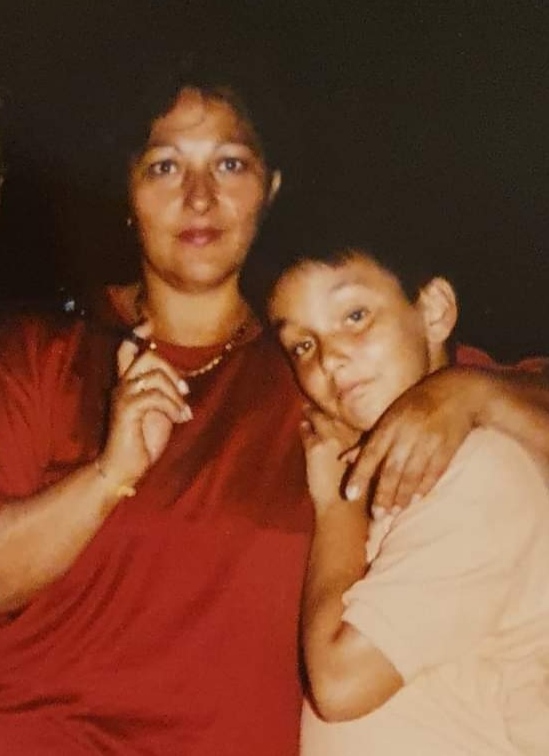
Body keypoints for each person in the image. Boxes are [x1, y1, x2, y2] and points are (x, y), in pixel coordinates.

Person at [0, 60, 548, 754]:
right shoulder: (44, 354)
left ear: (270, 188)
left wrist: (474, 390)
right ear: (127, 191)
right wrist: (107, 477)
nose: (199, 198)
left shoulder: (322, 370)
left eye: (229, 165)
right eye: (165, 167)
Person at [264, 207, 549, 754]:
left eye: (355, 316)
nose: (330, 358)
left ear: (434, 311)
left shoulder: (481, 471)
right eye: (302, 344)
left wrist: (336, 506)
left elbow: (340, 683)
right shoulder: (407, 469)